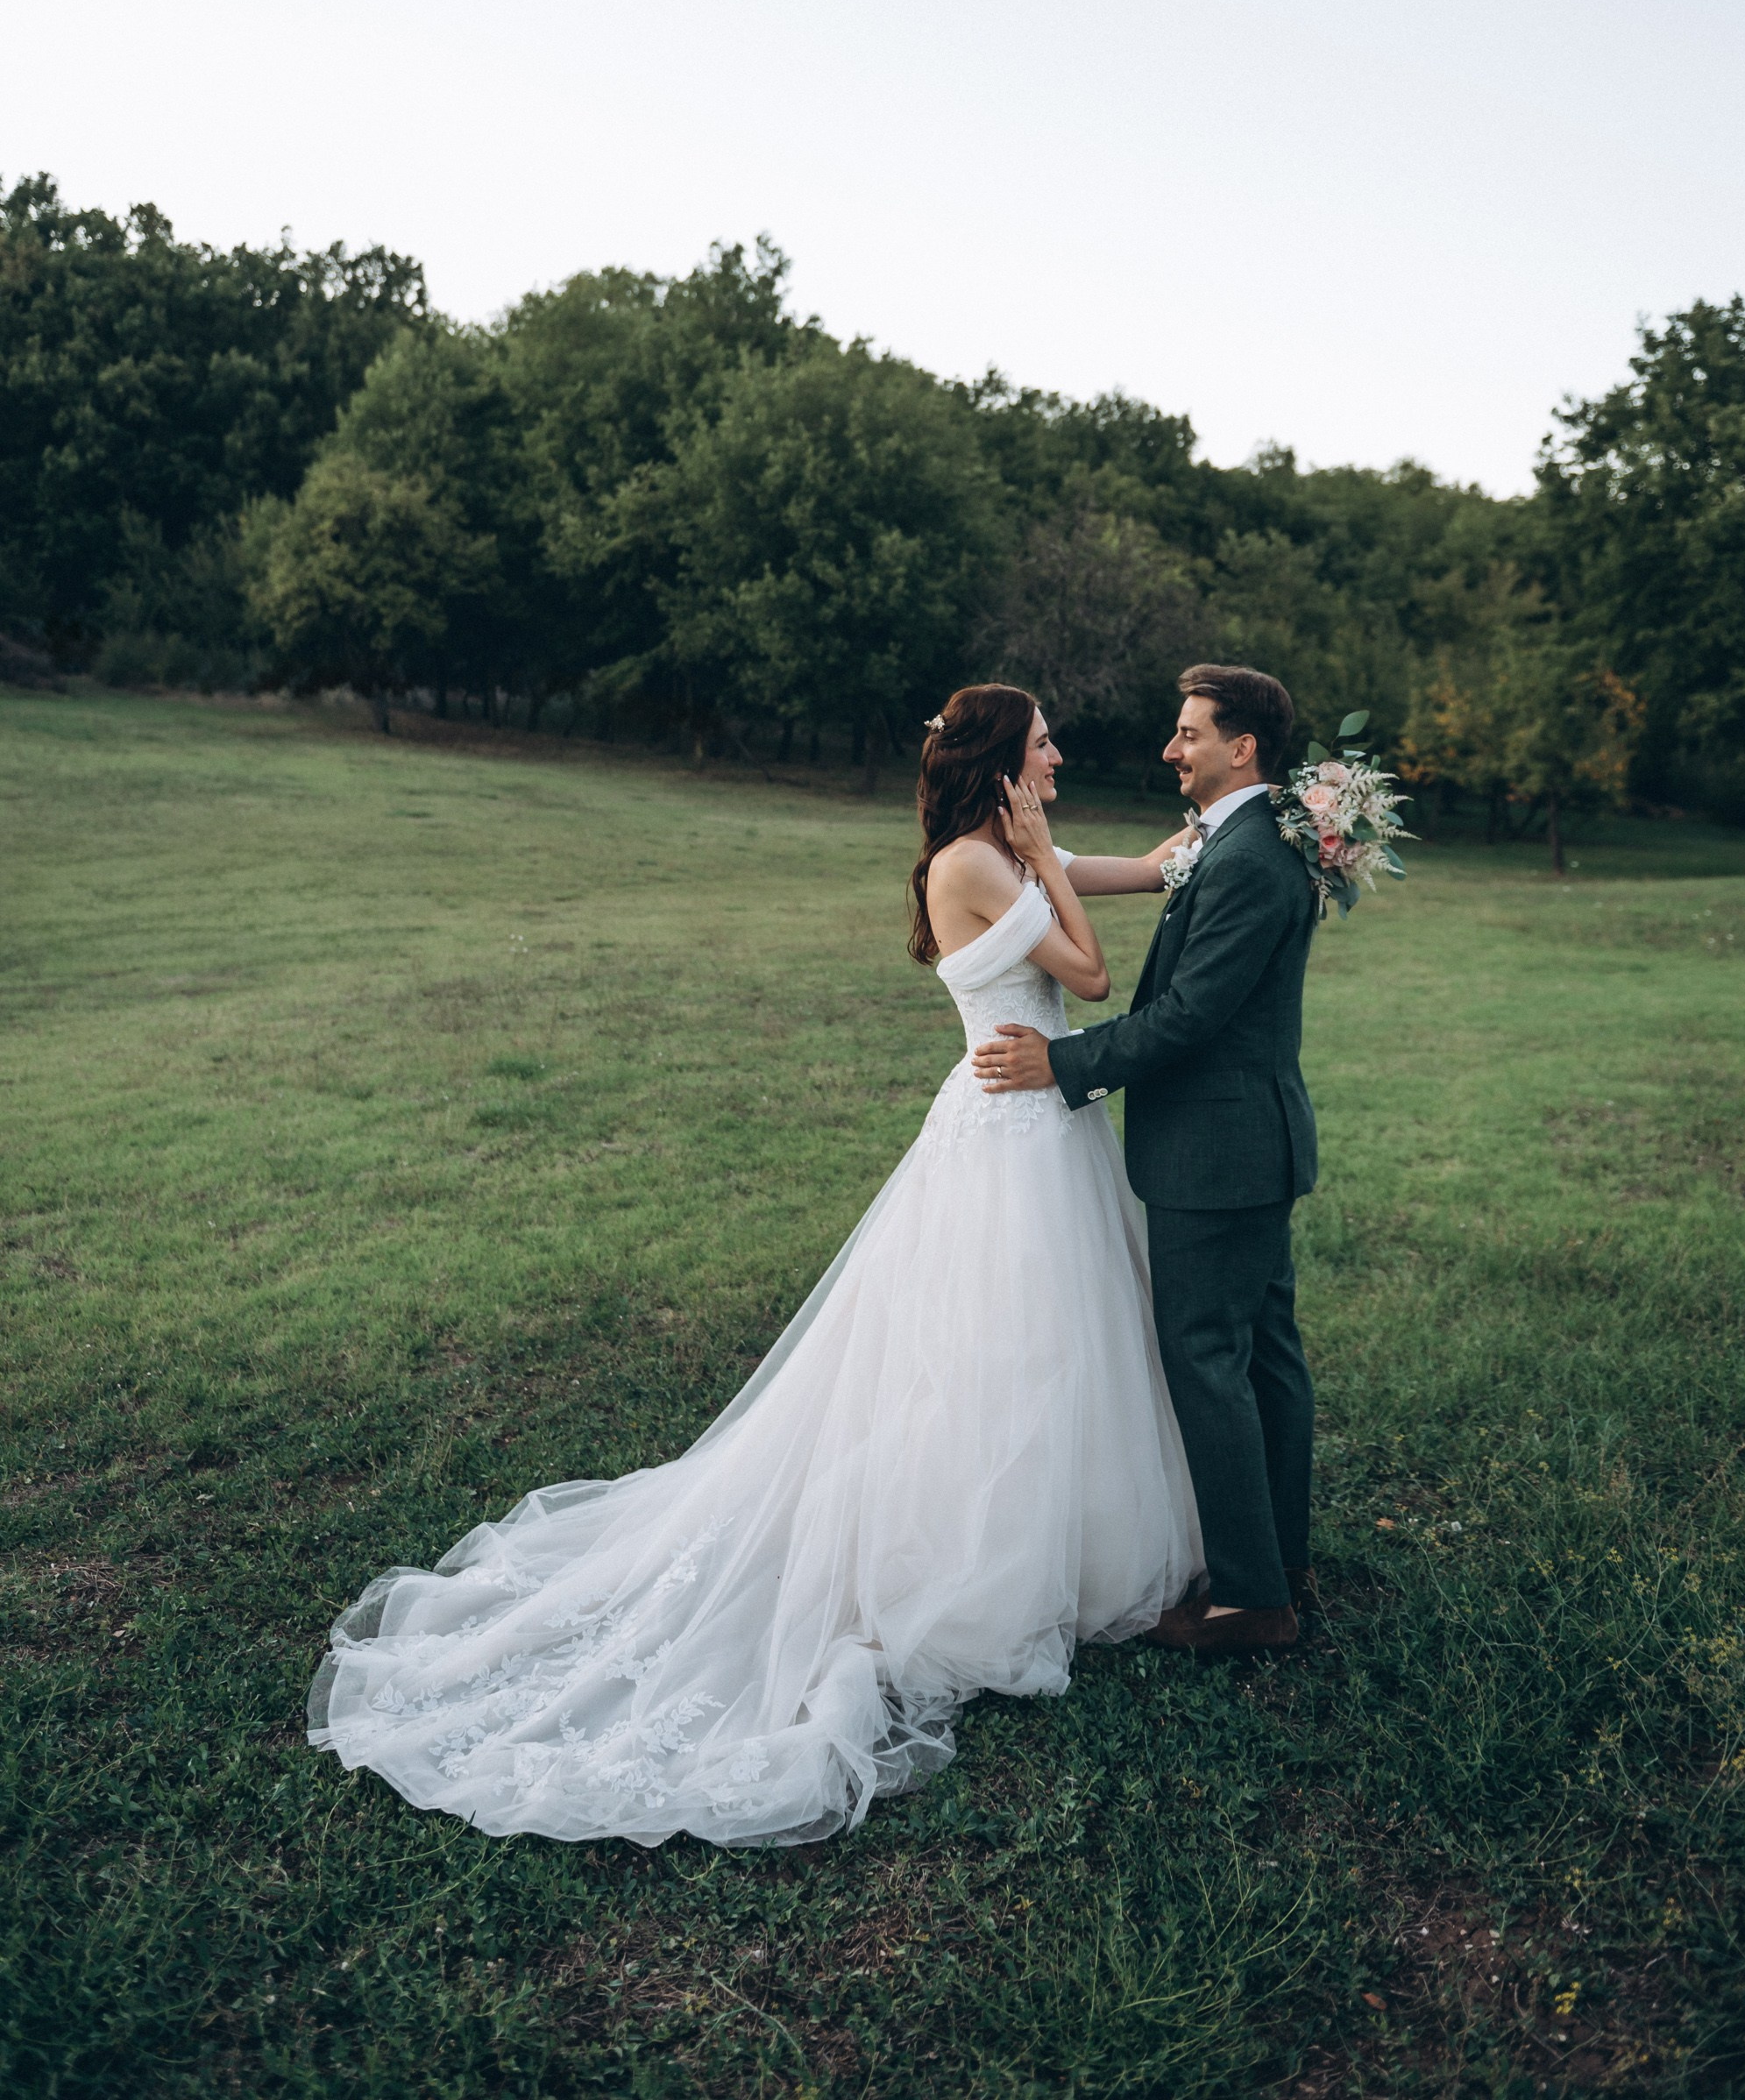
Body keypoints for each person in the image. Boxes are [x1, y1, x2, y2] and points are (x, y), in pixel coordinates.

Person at [309, 685, 1202, 1848]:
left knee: (1058, 1344)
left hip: (1047, 1125)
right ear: (998, 762)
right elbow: (1087, 980)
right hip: (1007, 1132)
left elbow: (1148, 866)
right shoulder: (975, 867)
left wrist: (1285, 818)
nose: (1060, 755)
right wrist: (1044, 854)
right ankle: (967, 1565)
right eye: (1043, 744)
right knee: (999, 1344)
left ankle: (1064, 1545)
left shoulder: (1017, 850)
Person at [975, 664, 1318, 1658]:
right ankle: (1277, 1558)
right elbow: (1160, 881)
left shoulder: (1251, 856)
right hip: (1241, 1143)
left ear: (1239, 748)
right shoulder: (1239, 836)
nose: (1169, 750)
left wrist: (1062, 1063)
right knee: (1260, 1354)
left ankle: (1252, 1599)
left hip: (1220, 1151)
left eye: (1186, 734)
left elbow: (1189, 1017)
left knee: (1207, 1359)